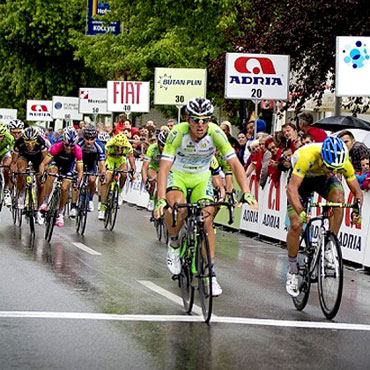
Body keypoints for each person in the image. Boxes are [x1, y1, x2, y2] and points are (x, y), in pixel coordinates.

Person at [154, 98, 257, 297]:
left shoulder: (216, 133)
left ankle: (210, 274)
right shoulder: (177, 133)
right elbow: (164, 167)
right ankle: (174, 243)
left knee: (207, 219)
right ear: (187, 119)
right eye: (195, 120)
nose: (200, 124)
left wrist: (246, 192)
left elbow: (235, 164)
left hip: (202, 177)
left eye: (205, 120)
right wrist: (160, 198)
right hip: (179, 174)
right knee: (177, 208)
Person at [285, 136, 363, 297]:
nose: (334, 172)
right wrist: (301, 211)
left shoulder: (342, 163)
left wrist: (357, 211)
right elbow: (292, 189)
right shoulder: (306, 156)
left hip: (322, 181)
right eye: (331, 168)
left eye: (337, 169)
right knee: (296, 225)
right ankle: (292, 270)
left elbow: (358, 192)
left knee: (339, 200)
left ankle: (329, 244)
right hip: (301, 181)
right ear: (322, 158)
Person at [39, 127, 83, 228]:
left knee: (64, 187)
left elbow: (80, 171)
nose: (69, 148)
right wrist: (42, 175)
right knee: (51, 174)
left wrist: (77, 181)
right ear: (63, 141)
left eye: (71, 146)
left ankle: (60, 213)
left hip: (69, 166)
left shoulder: (77, 150)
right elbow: (43, 163)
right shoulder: (56, 146)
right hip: (56, 163)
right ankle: (45, 201)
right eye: (67, 145)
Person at [11, 126, 48, 224]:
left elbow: (45, 161)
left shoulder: (41, 142)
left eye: (32, 143)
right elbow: (14, 162)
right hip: (24, 157)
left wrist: (43, 173)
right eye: (27, 143)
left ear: (36, 140)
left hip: (38, 159)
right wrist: (13, 174)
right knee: (21, 171)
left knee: (41, 184)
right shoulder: (19, 142)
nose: (30, 146)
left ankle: (39, 210)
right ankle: (21, 194)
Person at [70, 126, 106, 217]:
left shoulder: (99, 145)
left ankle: (90, 199)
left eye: (92, 139)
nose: (89, 141)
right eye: (87, 139)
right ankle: (73, 206)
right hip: (80, 161)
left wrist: (102, 174)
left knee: (92, 180)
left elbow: (102, 164)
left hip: (92, 162)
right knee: (77, 181)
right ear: (83, 137)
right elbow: (73, 159)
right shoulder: (78, 143)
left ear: (95, 138)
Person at [98, 133, 136, 220]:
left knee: (124, 174)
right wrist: (104, 171)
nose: (119, 149)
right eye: (117, 147)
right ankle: (102, 208)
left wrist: (133, 169)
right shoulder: (109, 145)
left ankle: (119, 192)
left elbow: (131, 158)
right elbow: (104, 159)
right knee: (106, 181)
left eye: (121, 147)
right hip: (110, 160)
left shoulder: (128, 146)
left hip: (120, 160)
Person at [141, 131, 168, 203]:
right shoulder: (152, 148)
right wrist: (145, 180)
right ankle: (151, 198)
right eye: (162, 145)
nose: (164, 148)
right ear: (158, 143)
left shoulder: (170, 149)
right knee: (153, 181)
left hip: (164, 167)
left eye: (166, 146)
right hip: (153, 166)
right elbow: (144, 166)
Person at [0, 121, 15, 207]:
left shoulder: (9, 137)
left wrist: (12, 165)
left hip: (4, 152)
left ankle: (6, 189)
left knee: (6, 167)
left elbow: (13, 153)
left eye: (1, 136)